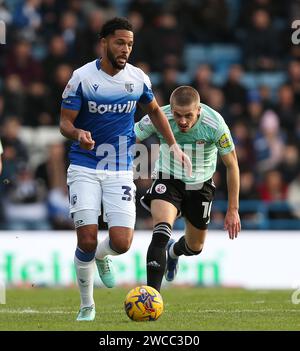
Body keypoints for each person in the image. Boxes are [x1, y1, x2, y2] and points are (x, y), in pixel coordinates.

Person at [59, 17, 191, 321]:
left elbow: (156, 111)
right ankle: (87, 306)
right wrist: (78, 133)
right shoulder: (81, 78)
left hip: (119, 166)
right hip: (84, 164)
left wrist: (172, 144)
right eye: (120, 42)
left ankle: (102, 257)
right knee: (87, 239)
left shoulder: (137, 79)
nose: (125, 49)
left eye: (130, 44)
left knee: (121, 243)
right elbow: (65, 122)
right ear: (104, 42)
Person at [134, 86, 241, 292]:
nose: (182, 121)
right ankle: (152, 297)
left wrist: (233, 209)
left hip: (200, 184)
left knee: (195, 247)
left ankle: (173, 252)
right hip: (168, 177)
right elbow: (131, 137)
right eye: (177, 115)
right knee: (161, 231)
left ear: (198, 110)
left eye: (188, 115)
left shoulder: (215, 124)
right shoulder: (160, 115)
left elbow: (232, 165)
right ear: (171, 109)